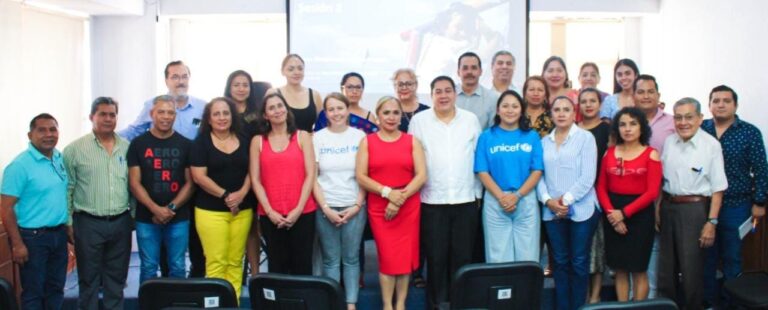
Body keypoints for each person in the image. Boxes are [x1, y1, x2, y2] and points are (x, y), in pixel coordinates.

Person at [409, 76, 481, 310]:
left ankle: (460, 305)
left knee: (462, 259)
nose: (443, 95)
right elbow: (413, 160)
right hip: (432, 201)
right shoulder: (419, 121)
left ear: (455, 94)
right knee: (436, 259)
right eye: (438, 91)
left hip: (465, 199)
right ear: (431, 96)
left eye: (448, 91)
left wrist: (478, 195)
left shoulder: (470, 120)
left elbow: (478, 158)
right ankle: (436, 305)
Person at [356, 96, 426, 310]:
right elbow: (361, 176)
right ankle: (387, 305)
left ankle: (401, 304)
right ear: (378, 115)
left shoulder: (412, 141)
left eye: (396, 112)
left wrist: (399, 199)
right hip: (380, 207)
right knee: (388, 258)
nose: (391, 117)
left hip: (408, 205)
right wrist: (388, 193)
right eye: (386, 112)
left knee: (404, 258)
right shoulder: (367, 142)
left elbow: (421, 176)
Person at [702, 85, 768, 307]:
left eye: (726, 101)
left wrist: (759, 202)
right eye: (716, 100)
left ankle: (732, 304)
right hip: (705, 205)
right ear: (709, 105)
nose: (720, 104)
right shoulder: (701, 129)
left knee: (732, 257)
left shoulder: (749, 132)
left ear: (735, 105)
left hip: (736, 204)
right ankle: (710, 302)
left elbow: (761, 169)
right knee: (707, 258)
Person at [659, 97, 727, 309]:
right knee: (666, 269)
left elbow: (718, 188)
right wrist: (657, 210)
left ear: (700, 118)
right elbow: (662, 180)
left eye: (689, 117)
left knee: (691, 270)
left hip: (695, 210)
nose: (683, 122)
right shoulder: (670, 142)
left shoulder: (711, 145)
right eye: (678, 117)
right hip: (668, 206)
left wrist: (711, 222)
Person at [64, 97, 132, 310]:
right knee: (88, 280)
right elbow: (68, 189)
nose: (108, 119)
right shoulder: (74, 149)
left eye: (112, 114)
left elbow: (133, 185)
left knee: (117, 280)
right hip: (88, 223)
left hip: (121, 222)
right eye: (103, 114)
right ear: (91, 117)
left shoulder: (127, 147)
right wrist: (68, 222)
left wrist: (133, 217)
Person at [1, 113, 70, 310]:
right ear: (30, 135)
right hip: (32, 239)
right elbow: (5, 208)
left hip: (59, 235)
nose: (48, 134)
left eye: (53, 129)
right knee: (34, 293)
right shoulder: (19, 166)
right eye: (42, 130)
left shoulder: (58, 158)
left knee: (56, 289)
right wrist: (17, 244)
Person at [190, 97, 256, 298]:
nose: (222, 117)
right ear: (209, 119)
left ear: (232, 116)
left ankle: (233, 305)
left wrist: (242, 193)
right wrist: (227, 196)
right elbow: (199, 177)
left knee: (235, 262)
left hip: (242, 210)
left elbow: (253, 171)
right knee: (216, 263)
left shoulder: (245, 139)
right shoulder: (201, 142)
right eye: (216, 114)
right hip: (210, 212)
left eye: (226, 113)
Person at [537, 96, 599, 310]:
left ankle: (579, 307)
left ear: (574, 114)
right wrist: (548, 201)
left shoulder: (585, 138)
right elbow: (538, 175)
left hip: (582, 210)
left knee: (579, 262)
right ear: (551, 114)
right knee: (560, 262)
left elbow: (588, 176)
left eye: (566, 109)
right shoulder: (543, 142)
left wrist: (565, 201)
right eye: (557, 110)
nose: (561, 113)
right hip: (551, 211)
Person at [127, 95, 194, 284]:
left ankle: (176, 301)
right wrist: (155, 209)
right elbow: (134, 183)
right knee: (148, 267)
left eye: (170, 112)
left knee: (178, 266)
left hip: (178, 217)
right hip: (146, 217)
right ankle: (149, 300)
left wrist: (170, 209)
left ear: (175, 116)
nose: (166, 116)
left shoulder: (186, 144)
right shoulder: (138, 144)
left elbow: (190, 183)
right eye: (161, 112)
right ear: (152, 114)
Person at [596, 107, 662, 302]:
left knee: (639, 269)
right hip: (612, 214)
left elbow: (652, 192)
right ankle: (622, 306)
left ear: (642, 128)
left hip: (640, 215)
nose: (627, 129)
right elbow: (601, 188)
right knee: (620, 269)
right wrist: (613, 216)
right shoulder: (609, 153)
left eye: (633, 124)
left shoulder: (651, 154)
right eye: (623, 124)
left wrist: (623, 214)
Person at [250, 93, 317, 275]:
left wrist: (298, 209)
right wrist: (270, 211)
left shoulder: (303, 136)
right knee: (277, 266)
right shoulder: (258, 141)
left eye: (280, 106)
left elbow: (310, 174)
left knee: (302, 266)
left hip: (303, 212)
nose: (277, 110)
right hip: (271, 214)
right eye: (271, 108)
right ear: (265, 115)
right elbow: (255, 179)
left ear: (287, 110)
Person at [312, 93, 367, 309]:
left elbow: (364, 175)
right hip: (326, 206)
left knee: (351, 259)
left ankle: (351, 304)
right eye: (331, 109)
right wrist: (325, 208)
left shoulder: (359, 136)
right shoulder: (318, 138)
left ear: (347, 110)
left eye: (340, 108)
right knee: (330, 260)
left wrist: (357, 205)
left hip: (354, 206)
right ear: (325, 113)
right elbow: (313, 177)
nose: (336, 113)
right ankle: (333, 304)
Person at [474, 90, 543, 262]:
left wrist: (517, 195)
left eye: (515, 106)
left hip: (525, 199)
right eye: (505, 106)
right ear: (498, 110)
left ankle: (525, 283)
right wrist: (502, 197)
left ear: (521, 110)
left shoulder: (532, 136)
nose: (510, 110)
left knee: (528, 255)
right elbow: (482, 171)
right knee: (497, 257)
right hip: (495, 200)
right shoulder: (486, 137)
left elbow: (537, 170)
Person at [632, 74, 674, 298]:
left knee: (656, 247)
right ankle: (633, 297)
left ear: (658, 95)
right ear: (634, 95)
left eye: (650, 92)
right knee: (632, 248)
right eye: (641, 92)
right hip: (629, 195)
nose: (646, 96)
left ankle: (651, 298)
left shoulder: (672, 123)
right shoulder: (627, 120)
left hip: (661, 195)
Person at [577, 88, 611, 303]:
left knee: (597, 251)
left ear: (600, 104)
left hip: (600, 196)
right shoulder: (573, 129)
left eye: (593, 101)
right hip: (576, 198)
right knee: (580, 252)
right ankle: (583, 296)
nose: (588, 105)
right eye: (584, 101)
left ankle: (595, 297)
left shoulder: (608, 130)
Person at [120, 60, 206, 141]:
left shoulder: (203, 107)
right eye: (175, 77)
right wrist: (112, 136)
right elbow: (135, 131)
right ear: (166, 81)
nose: (181, 82)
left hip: (193, 152)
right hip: (161, 151)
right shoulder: (153, 104)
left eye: (184, 77)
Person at [267, 54, 323, 132]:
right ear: (282, 72)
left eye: (300, 69)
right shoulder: (273, 93)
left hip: (308, 139)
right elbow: (266, 122)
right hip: (282, 139)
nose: (296, 72)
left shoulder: (315, 95)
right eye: (291, 69)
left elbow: (322, 125)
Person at [314, 72, 378, 134]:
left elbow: (374, 139)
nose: (354, 91)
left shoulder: (369, 116)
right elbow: (318, 136)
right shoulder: (328, 113)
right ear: (342, 89)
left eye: (358, 87)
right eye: (350, 87)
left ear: (363, 89)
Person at [456, 52, 497, 129]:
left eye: (474, 68)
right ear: (458, 72)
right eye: (465, 68)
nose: (469, 72)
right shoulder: (448, 96)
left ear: (480, 72)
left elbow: (493, 131)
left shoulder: (492, 98)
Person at [224, 69, 261, 138]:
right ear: (229, 88)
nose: (241, 89)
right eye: (236, 85)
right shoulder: (222, 112)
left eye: (245, 85)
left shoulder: (259, 111)